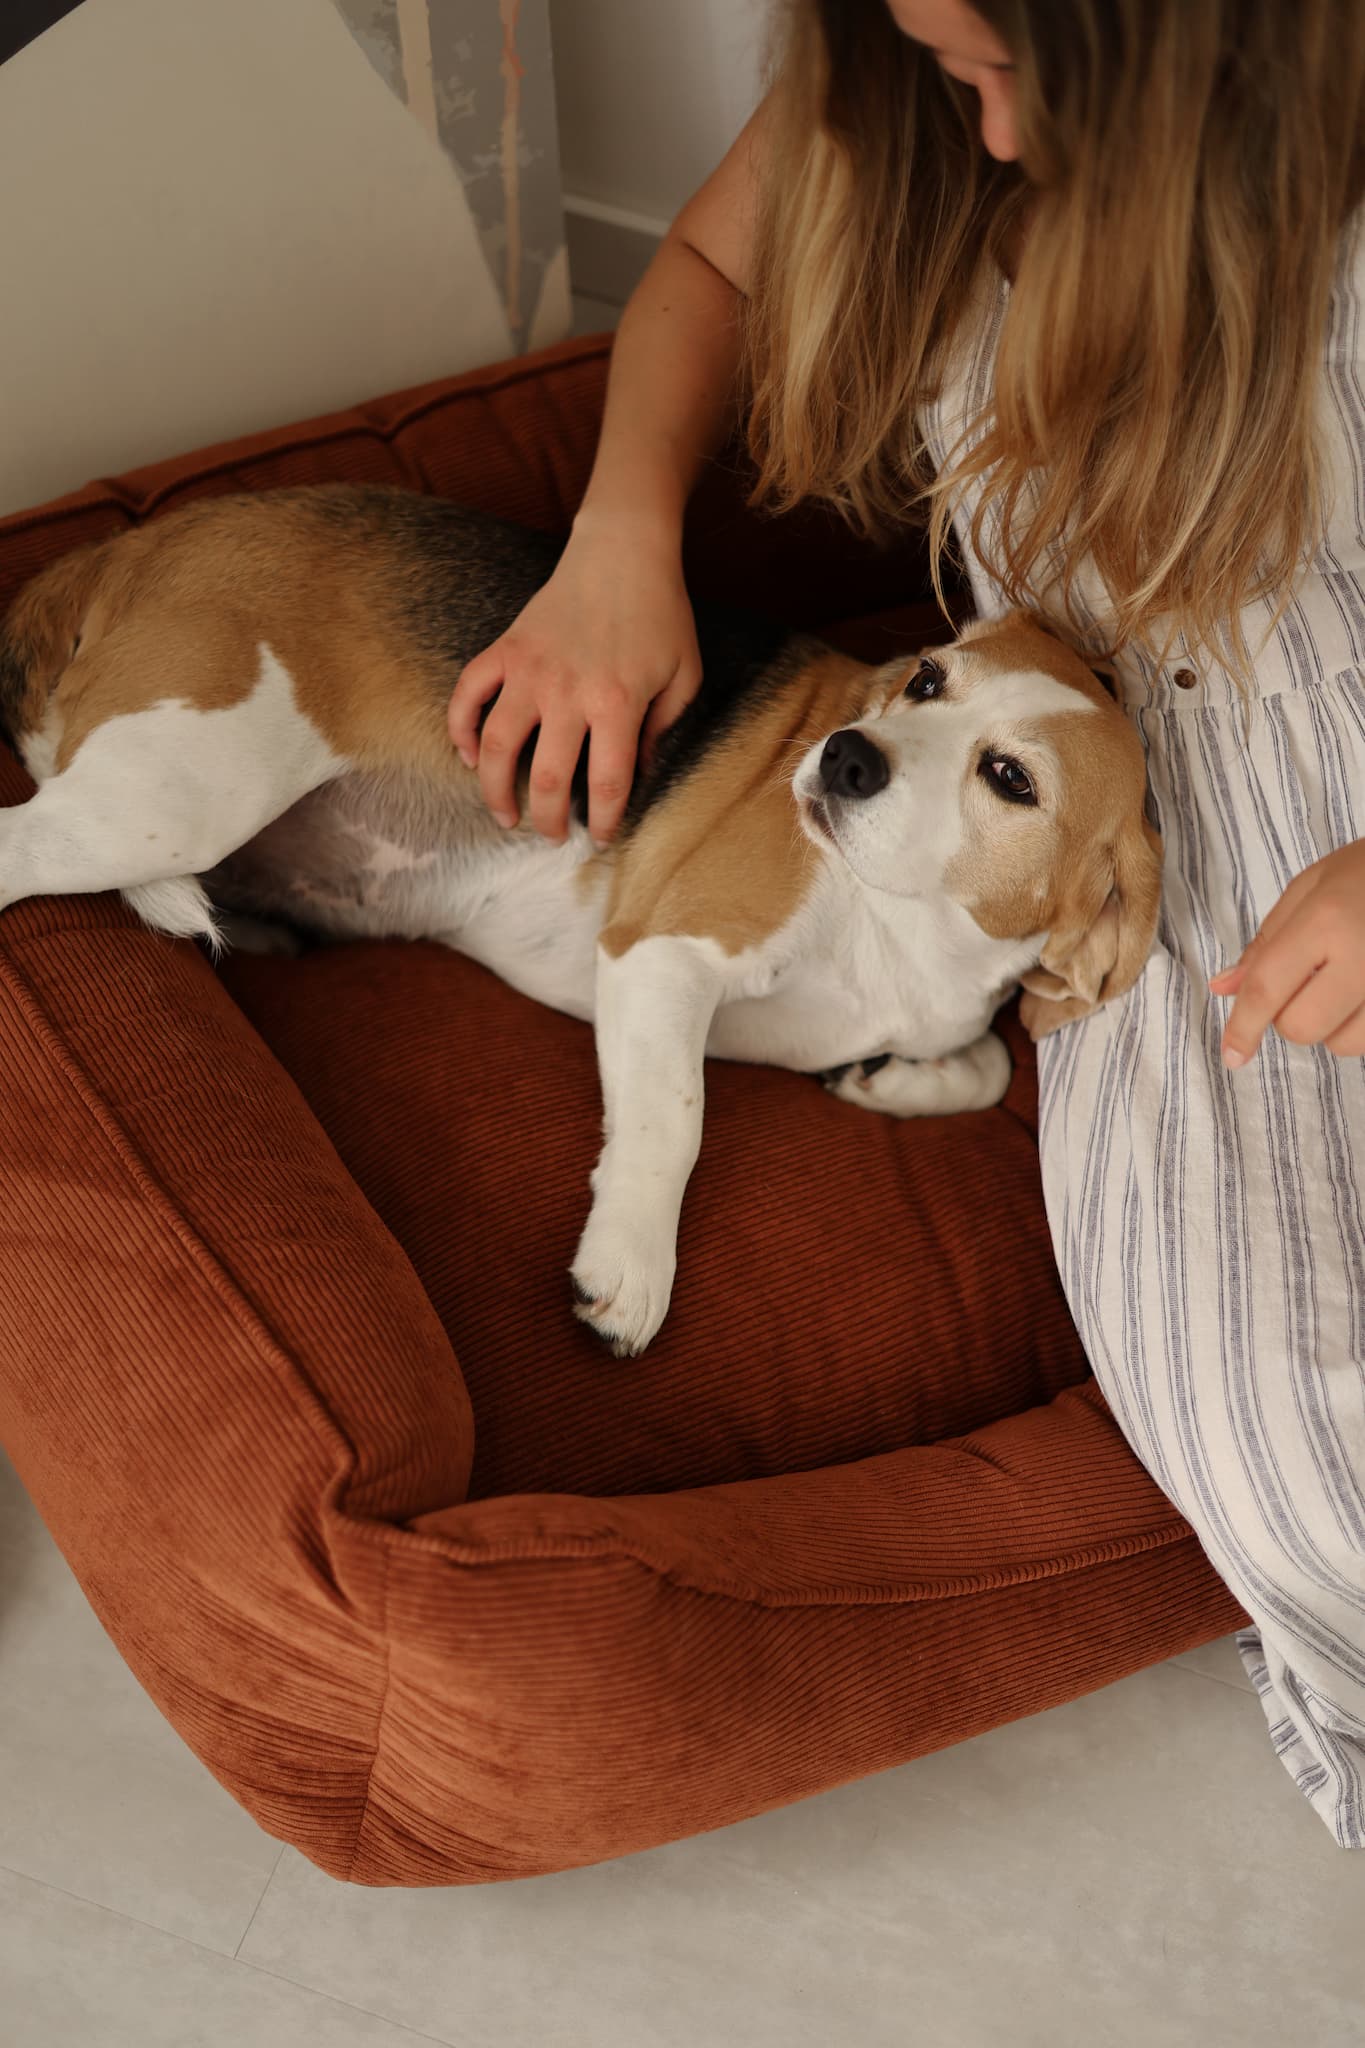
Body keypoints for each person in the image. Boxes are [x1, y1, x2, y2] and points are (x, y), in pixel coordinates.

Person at [449, 0, 1365, 1846]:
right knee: (1298, 1476)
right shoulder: (914, 99)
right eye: (952, 72)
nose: (994, 134)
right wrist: (618, 532)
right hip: (1145, 897)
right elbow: (708, 256)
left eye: (1021, 73)